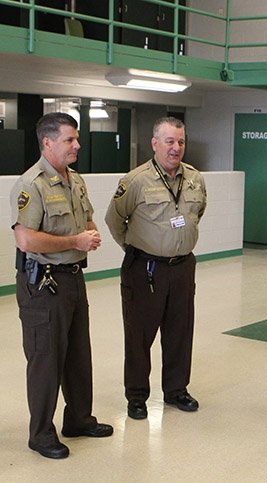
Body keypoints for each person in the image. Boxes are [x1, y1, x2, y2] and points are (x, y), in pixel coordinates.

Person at [10, 112, 113, 460]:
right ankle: (40, 433)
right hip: (43, 286)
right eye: (70, 139)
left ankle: (79, 419)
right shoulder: (31, 184)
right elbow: (25, 239)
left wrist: (89, 233)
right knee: (45, 361)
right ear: (47, 142)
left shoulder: (75, 180)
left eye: (76, 138)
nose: (77, 145)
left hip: (72, 279)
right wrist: (75, 240)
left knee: (78, 357)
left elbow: (85, 218)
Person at [105, 117, 207, 420]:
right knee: (139, 336)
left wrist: (175, 241)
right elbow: (114, 220)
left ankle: (176, 390)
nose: (176, 148)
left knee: (179, 332)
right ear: (154, 143)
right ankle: (136, 396)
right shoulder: (135, 180)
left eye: (181, 142)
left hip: (183, 267)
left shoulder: (195, 178)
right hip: (144, 269)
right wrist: (137, 248)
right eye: (169, 141)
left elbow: (197, 212)